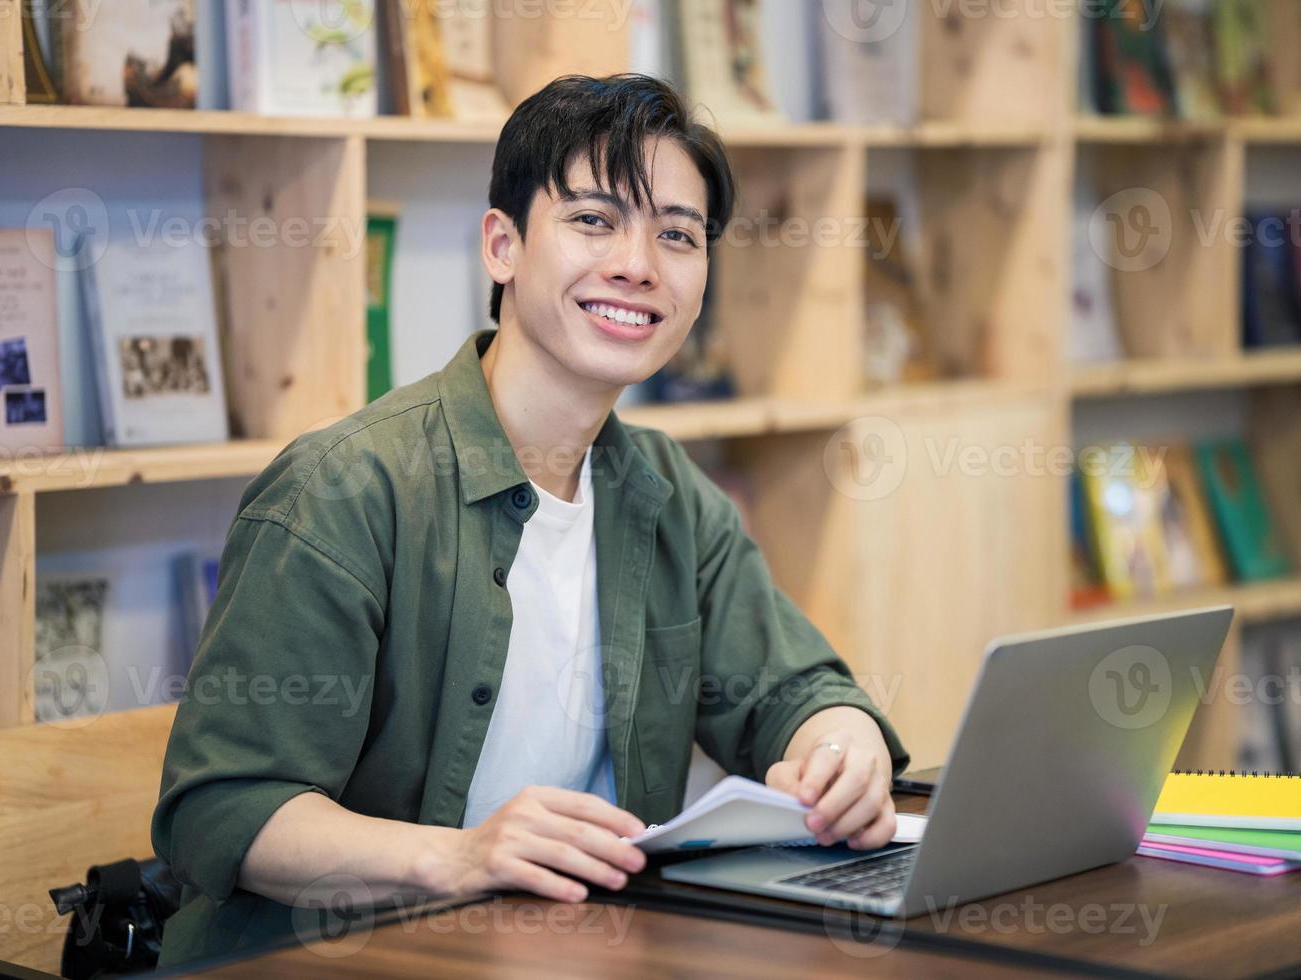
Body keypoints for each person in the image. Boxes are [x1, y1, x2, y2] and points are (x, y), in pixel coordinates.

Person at [152, 73, 909, 966]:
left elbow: (794, 693)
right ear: (502, 246)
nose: (638, 263)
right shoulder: (345, 490)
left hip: (582, 950)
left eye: (677, 234)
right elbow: (221, 808)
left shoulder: (667, 492)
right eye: (594, 220)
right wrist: (463, 857)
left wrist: (843, 749)